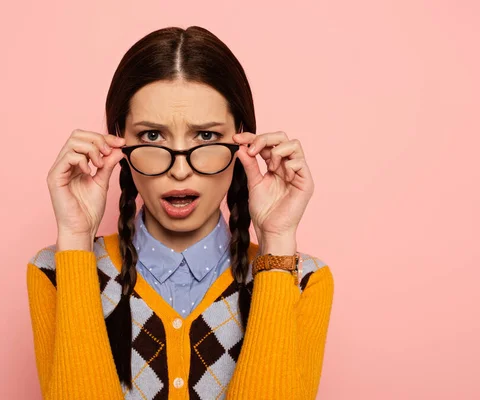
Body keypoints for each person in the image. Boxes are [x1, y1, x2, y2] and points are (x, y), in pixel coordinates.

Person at [26, 26, 334, 400]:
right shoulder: (56, 271)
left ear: (242, 138)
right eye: (152, 136)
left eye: (205, 136)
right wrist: (74, 240)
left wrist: (277, 240)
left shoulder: (301, 280)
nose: (180, 170)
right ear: (117, 139)